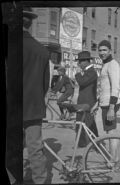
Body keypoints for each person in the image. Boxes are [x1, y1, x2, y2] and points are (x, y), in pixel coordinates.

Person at [23, 7, 49, 184]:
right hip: (34, 109)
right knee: (35, 149)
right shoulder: (42, 51)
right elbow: (45, 85)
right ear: (30, 23)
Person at [75, 51, 99, 147]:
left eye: (80, 62)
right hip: (83, 102)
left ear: (86, 61)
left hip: (88, 103)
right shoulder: (86, 72)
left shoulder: (92, 72)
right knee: (81, 123)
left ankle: (96, 144)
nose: (78, 64)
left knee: (89, 125)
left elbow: (82, 82)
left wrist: (77, 74)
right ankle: (82, 143)